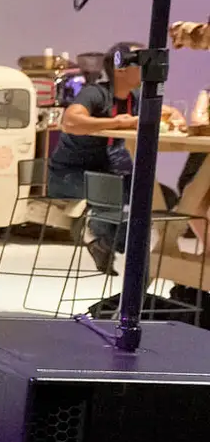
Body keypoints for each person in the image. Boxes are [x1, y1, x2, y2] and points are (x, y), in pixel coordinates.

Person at [49, 41, 183, 272]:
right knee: (116, 195)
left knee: (163, 197)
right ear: (121, 68)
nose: (146, 68)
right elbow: (70, 121)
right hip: (71, 174)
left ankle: (103, 239)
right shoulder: (95, 93)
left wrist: (176, 117)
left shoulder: (136, 97)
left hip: (108, 172)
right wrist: (116, 122)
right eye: (141, 63)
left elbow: (168, 111)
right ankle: (100, 233)